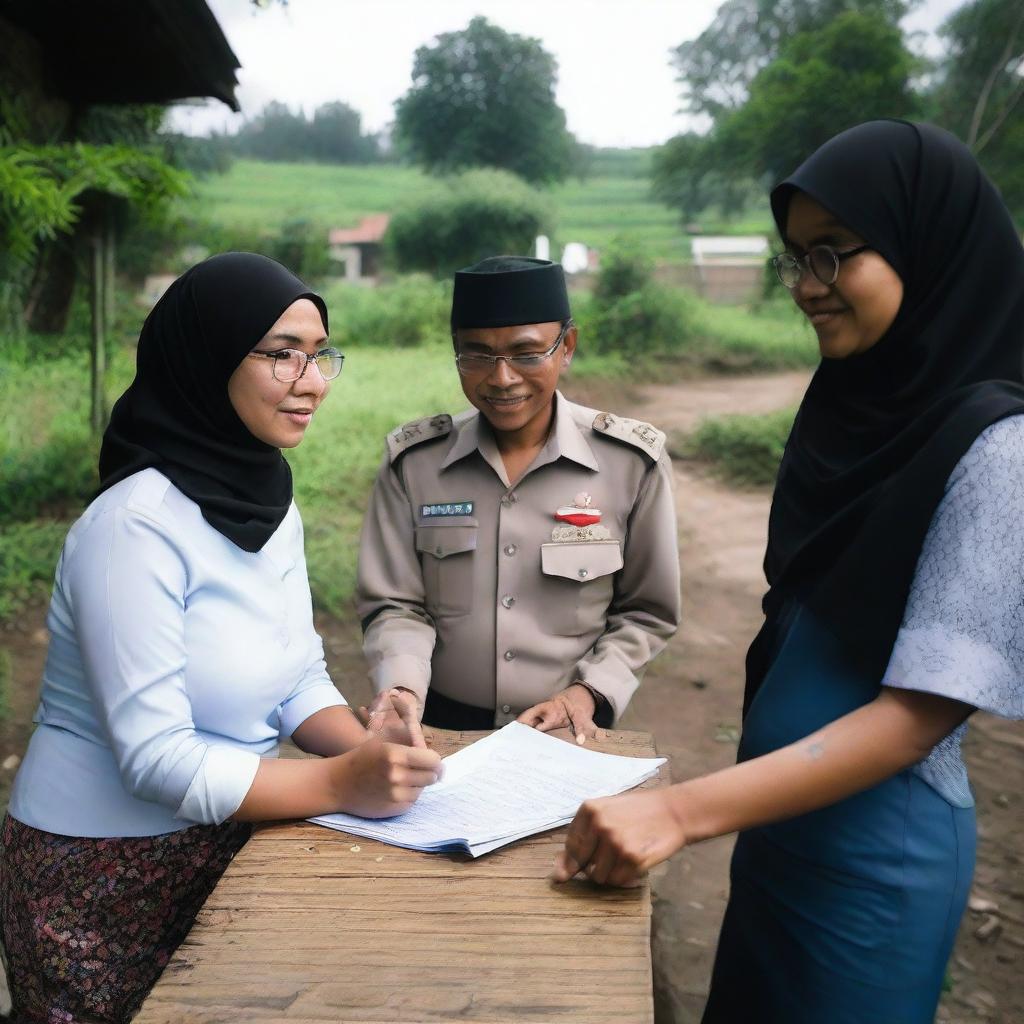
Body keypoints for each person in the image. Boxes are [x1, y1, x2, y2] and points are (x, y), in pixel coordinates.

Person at [552, 121, 1024, 1023]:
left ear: (925, 246)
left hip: (872, 870)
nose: (807, 288)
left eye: (832, 256)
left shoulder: (998, 446)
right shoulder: (855, 407)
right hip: (775, 833)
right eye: (795, 260)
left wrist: (682, 813)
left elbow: (915, 719)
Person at [0, 253, 442, 1023]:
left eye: (320, 354)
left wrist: (371, 746)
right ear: (207, 355)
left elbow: (295, 673)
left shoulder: (265, 495)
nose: (312, 381)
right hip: (101, 876)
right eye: (282, 354)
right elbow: (156, 758)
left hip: (231, 836)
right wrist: (343, 785)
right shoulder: (134, 527)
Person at [356, 256, 681, 736]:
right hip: (441, 728)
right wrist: (402, 687)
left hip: (569, 730)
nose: (502, 378)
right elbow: (394, 604)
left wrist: (589, 693)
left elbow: (646, 612)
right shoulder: (414, 463)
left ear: (566, 347)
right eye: (477, 355)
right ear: (456, 353)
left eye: (526, 354)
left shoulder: (631, 463)